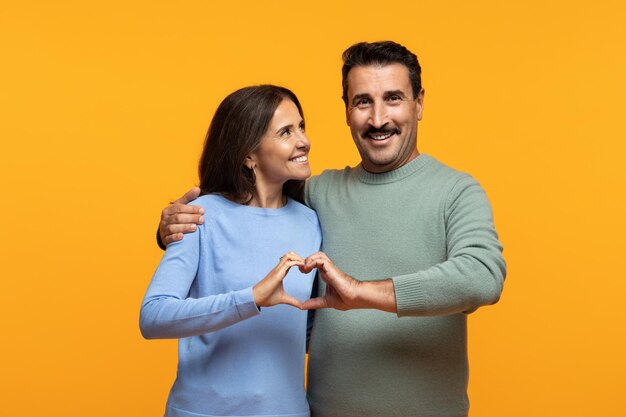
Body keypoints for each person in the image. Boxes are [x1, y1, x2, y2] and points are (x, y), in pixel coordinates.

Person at [157, 41, 507, 417]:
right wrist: (172, 231)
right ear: (346, 110)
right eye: (362, 102)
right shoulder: (316, 195)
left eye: (393, 99)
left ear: (419, 103)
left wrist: (361, 292)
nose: (377, 119)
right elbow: (246, 214)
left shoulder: (456, 191)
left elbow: (482, 277)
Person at [141, 85, 322, 417]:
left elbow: (303, 323)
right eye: (285, 132)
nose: (303, 140)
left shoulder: (310, 221)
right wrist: (250, 298)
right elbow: (152, 318)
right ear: (248, 154)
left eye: (301, 126)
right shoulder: (200, 215)